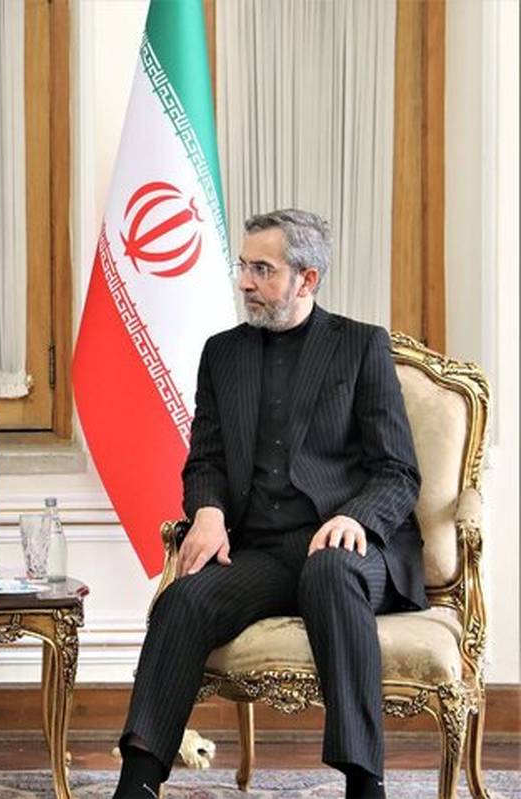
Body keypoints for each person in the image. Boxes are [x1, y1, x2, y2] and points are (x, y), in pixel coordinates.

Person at [113, 210, 425, 799]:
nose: (245, 282)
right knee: (183, 601)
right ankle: (137, 784)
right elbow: (205, 459)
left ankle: (366, 785)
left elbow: (398, 470)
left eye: (262, 269)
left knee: (329, 571)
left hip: (352, 550)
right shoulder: (222, 354)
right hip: (265, 551)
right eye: (243, 266)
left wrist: (354, 517)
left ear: (307, 279)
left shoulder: (360, 346)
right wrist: (208, 511)